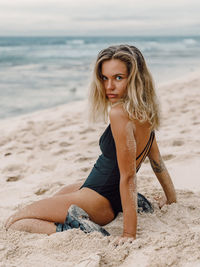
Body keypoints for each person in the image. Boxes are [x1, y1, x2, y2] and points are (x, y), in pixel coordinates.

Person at [5, 44, 176, 240]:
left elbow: (128, 177)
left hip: (99, 201)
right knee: (57, 196)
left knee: (15, 222)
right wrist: (171, 199)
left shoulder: (119, 113)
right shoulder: (145, 113)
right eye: (104, 78)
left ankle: (78, 230)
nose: (109, 86)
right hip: (107, 195)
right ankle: (124, 205)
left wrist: (129, 233)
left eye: (118, 78)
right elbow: (158, 163)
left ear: (136, 79)